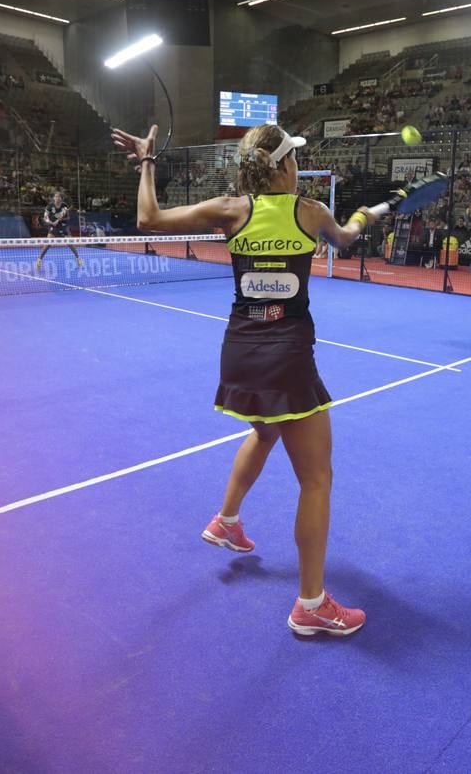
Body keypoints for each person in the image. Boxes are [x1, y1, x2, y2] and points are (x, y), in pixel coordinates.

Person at [111, 122, 378, 637]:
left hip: (239, 353)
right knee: (317, 478)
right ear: (283, 165)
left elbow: (148, 217)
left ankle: (227, 521)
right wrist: (364, 216)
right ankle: (312, 604)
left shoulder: (231, 210)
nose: (298, 165)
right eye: (294, 158)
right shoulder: (311, 213)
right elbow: (343, 238)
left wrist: (147, 160)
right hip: (287, 356)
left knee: (266, 430)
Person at [35, 190, 83, 268]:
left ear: (61, 198)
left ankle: (78, 258)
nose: (57, 198)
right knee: (47, 244)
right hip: (53, 227)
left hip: (63, 226)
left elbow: (68, 217)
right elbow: (45, 217)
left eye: (59, 197)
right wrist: (51, 222)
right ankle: (39, 259)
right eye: (56, 197)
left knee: (70, 244)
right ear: (54, 198)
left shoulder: (64, 206)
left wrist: (61, 219)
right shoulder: (50, 206)